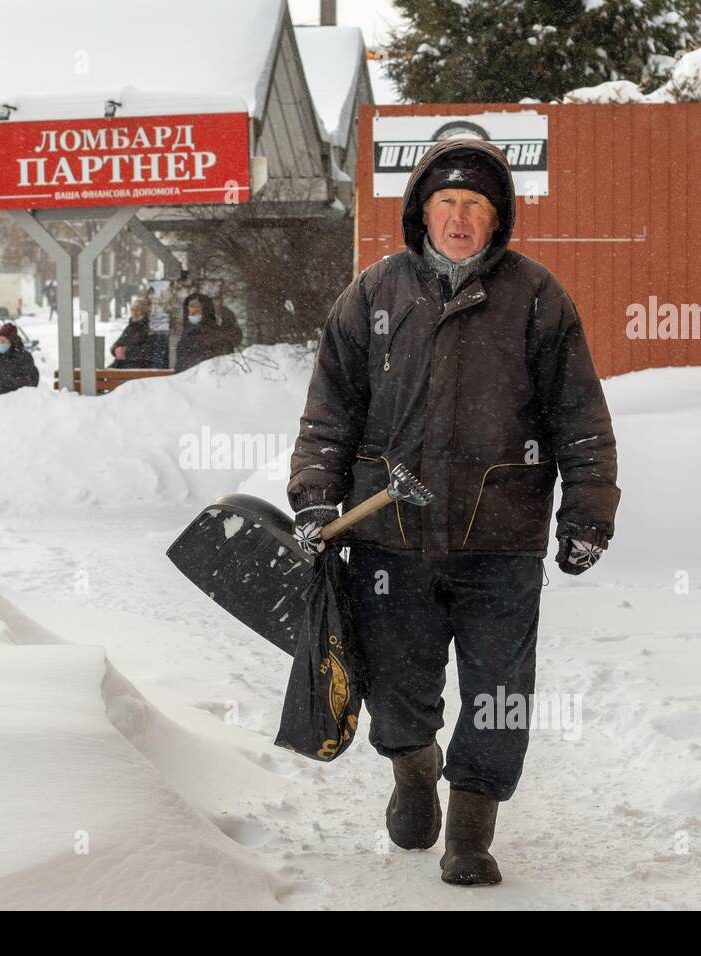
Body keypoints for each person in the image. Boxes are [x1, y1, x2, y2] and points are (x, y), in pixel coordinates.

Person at [288, 137, 620, 887]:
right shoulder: (373, 295)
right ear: (422, 211)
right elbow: (328, 416)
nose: (461, 216)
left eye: (476, 203)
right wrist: (315, 499)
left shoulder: (538, 298)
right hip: (390, 538)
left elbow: (581, 417)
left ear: (497, 216)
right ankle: (412, 769)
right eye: (448, 202)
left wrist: (587, 515)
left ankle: (471, 825)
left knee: (499, 690)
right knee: (397, 683)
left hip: (501, 539)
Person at [173, 292, 239, 373]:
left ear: (206, 310)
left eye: (197, 308)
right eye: (191, 313)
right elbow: (181, 366)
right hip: (186, 381)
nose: (193, 311)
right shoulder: (185, 336)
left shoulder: (217, 336)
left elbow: (223, 366)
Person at [108, 298, 159, 368]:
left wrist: (126, 352)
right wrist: (115, 350)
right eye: (132, 310)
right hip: (121, 364)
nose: (134, 313)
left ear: (144, 312)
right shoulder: (131, 326)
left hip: (138, 366)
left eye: (137, 310)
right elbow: (118, 343)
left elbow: (148, 351)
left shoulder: (149, 327)